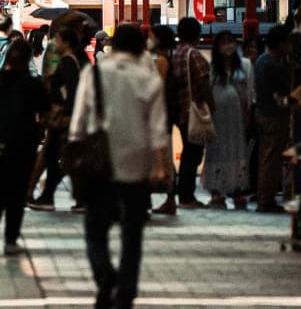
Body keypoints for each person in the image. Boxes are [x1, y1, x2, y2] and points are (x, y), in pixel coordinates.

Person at [70, 23, 171, 309]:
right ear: (141, 47)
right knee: (132, 232)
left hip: (98, 164)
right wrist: (160, 165)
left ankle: (105, 276)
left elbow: (78, 123)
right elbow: (158, 128)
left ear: (113, 45)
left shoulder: (94, 73)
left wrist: (75, 153)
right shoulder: (147, 78)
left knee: (95, 229)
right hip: (136, 166)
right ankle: (126, 294)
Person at [0, 38, 49, 254]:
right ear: (27, 60)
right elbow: (44, 109)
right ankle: (10, 239)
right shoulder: (33, 83)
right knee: (17, 188)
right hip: (22, 141)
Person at [29, 11, 85, 211]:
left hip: (62, 115)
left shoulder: (67, 60)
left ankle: (46, 195)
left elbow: (69, 88)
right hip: (62, 115)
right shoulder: (70, 57)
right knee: (58, 155)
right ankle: (53, 195)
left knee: (56, 155)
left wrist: (65, 113)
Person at [203, 31, 253, 210]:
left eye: (231, 41)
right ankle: (216, 190)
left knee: (237, 150)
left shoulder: (245, 65)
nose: (228, 46)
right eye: (224, 42)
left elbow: (249, 92)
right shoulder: (212, 67)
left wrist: (248, 115)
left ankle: (237, 189)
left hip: (237, 116)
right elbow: (206, 91)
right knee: (216, 150)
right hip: (217, 116)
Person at [170, 17, 213, 209]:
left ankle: (184, 192)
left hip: (179, 109)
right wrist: (211, 105)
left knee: (188, 151)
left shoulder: (176, 53)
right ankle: (187, 195)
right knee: (194, 152)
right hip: (193, 109)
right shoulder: (193, 54)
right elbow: (204, 82)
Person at [253, 25, 294, 213]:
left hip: (262, 113)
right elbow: (284, 92)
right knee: (271, 159)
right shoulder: (276, 65)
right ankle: (266, 199)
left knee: (265, 157)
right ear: (280, 44)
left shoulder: (261, 61)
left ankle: (264, 196)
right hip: (274, 115)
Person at [149, 25, 179, 215]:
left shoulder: (161, 61)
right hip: (166, 114)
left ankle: (169, 197)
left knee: (164, 156)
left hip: (160, 115)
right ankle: (169, 199)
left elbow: (156, 89)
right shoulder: (168, 59)